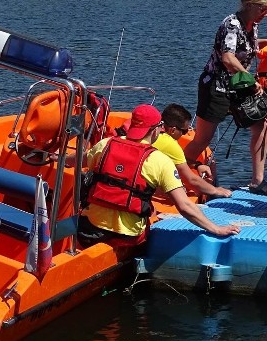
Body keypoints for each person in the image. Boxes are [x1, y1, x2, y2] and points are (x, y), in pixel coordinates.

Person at [77, 104, 240, 248]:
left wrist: (56, 157)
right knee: (150, 213)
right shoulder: (159, 160)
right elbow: (185, 206)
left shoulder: (105, 144)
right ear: (157, 128)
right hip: (127, 236)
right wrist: (216, 228)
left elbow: (77, 160)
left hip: (91, 228)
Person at [184, 0, 267, 195]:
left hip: (239, 85)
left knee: (261, 125)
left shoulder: (251, 24)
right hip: (217, 85)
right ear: (251, 5)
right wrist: (251, 82)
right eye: (263, 9)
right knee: (202, 139)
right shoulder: (231, 24)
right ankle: (177, 175)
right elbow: (228, 57)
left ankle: (258, 181)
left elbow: (246, 46)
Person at [154, 103, 233, 198]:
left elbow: (177, 160)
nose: (185, 134)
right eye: (184, 131)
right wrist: (215, 190)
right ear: (173, 130)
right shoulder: (170, 144)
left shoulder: (152, 134)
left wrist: (197, 165)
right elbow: (191, 179)